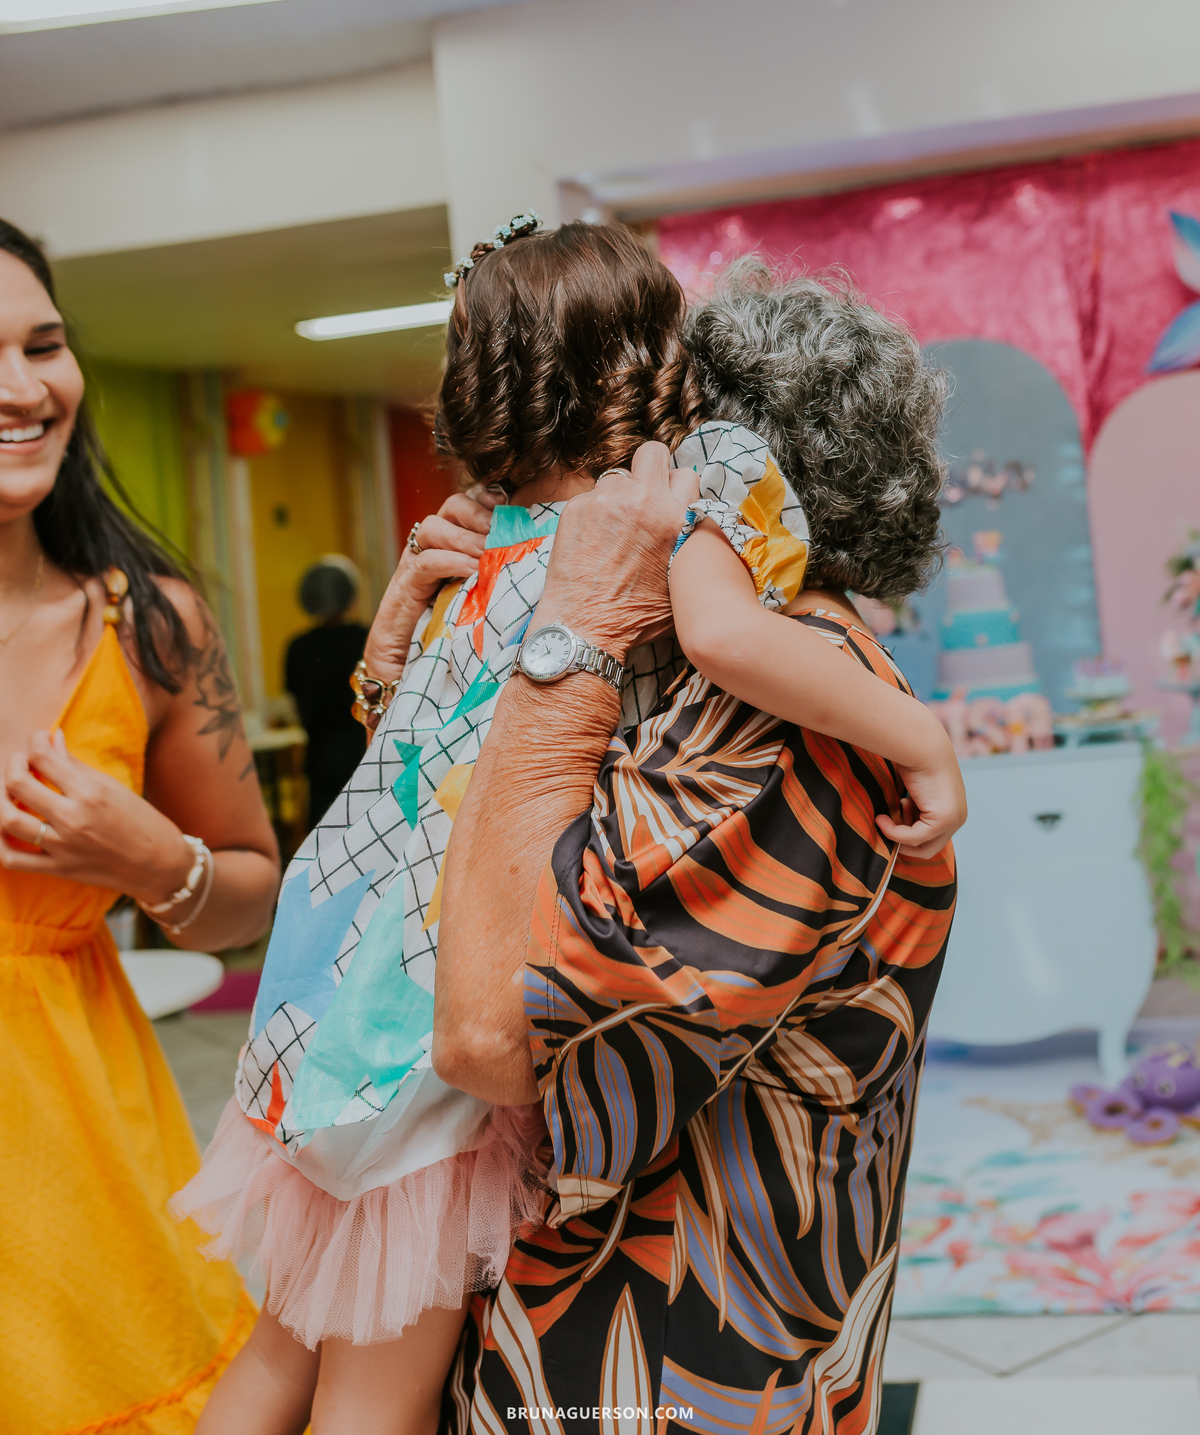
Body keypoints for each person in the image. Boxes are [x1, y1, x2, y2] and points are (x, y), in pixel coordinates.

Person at [176, 221, 962, 1433]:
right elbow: (714, 642)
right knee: (363, 1388)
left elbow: (420, 761)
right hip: (421, 1036)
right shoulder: (656, 524)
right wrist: (927, 739)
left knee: (284, 1351)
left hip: (335, 992)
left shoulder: (494, 536)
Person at [0, 221, 281, 1434]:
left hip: (77, 1168)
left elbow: (260, 890)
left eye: (44, 344)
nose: (23, 389)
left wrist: (157, 862)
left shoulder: (148, 626)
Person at [284, 557, 368, 828]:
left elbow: (297, 707)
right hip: (365, 753)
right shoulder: (366, 639)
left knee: (322, 839)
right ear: (350, 595)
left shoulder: (298, 648)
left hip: (320, 760)